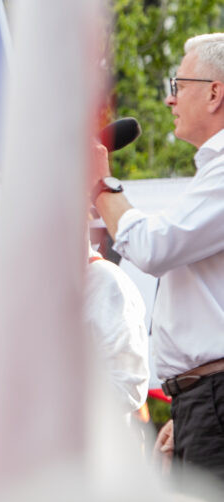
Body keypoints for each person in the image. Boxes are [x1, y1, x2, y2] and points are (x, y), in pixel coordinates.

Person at [92, 33, 224, 478]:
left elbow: (152, 247)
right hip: (203, 398)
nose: (170, 100)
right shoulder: (211, 174)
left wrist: (99, 185)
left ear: (215, 92)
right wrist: (190, 405)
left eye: (178, 84)